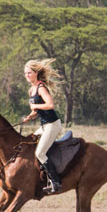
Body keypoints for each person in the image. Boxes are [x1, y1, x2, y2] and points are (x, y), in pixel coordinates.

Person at [22, 59, 64, 195]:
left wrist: (35, 106)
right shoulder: (31, 90)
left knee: (40, 153)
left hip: (52, 125)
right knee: (30, 143)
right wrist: (30, 115)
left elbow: (50, 105)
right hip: (44, 125)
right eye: (25, 73)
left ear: (36, 73)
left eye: (29, 73)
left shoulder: (41, 87)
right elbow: (37, 111)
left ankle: (56, 182)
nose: (27, 75)